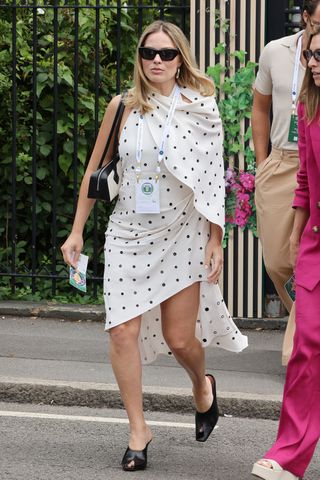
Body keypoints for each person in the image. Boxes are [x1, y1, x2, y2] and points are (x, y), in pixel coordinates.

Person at [61, 20, 247, 471]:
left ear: (180, 58)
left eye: (166, 54)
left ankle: (202, 387)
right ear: (139, 59)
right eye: (149, 53)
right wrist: (76, 230)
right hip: (128, 231)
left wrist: (216, 237)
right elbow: (96, 170)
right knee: (121, 330)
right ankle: (138, 429)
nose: (157, 61)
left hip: (182, 233)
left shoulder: (200, 107)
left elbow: (211, 178)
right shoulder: (122, 107)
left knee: (180, 338)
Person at [252, 25, 320, 480]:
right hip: (316, 238)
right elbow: (304, 181)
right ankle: (288, 455)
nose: (312, 63)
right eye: (311, 55)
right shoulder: (308, 106)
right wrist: (297, 234)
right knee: (306, 345)